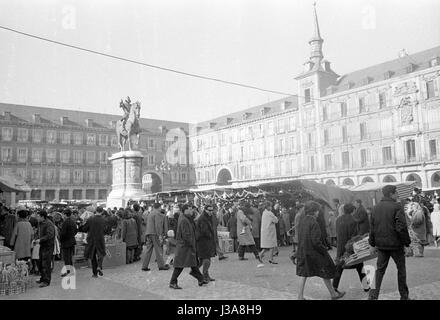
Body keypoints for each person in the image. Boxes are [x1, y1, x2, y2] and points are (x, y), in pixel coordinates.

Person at [368, 185, 411, 300]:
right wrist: (407, 244)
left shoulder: (375, 207)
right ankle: (404, 297)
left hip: (381, 246)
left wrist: (372, 244)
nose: (397, 195)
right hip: (396, 245)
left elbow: (372, 228)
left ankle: (373, 296)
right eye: (396, 193)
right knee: (401, 270)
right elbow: (401, 227)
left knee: (379, 271)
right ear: (391, 194)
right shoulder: (397, 207)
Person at [296, 201, 345, 300]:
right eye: (317, 211)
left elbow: (300, 237)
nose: (318, 213)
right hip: (314, 252)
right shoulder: (314, 222)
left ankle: (300, 296)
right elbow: (316, 241)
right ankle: (333, 294)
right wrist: (324, 249)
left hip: (303, 251)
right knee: (325, 271)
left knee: (304, 274)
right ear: (314, 211)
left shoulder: (302, 220)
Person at [169, 205, 208, 289]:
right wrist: (191, 243)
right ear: (185, 210)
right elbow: (186, 234)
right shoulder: (184, 220)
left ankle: (200, 279)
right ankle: (172, 282)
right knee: (180, 265)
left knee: (193, 263)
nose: (192, 211)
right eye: (190, 209)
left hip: (187, 246)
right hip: (185, 247)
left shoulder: (187, 218)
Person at [332, 204, 369, 293]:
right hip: (350, 246)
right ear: (352, 211)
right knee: (360, 265)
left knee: (339, 266)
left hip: (340, 246)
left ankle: (334, 287)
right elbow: (354, 236)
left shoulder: (338, 220)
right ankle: (366, 287)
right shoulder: (353, 220)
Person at [79, 206, 107, 278]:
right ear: (102, 211)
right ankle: (99, 266)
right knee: (101, 253)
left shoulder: (90, 219)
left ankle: (95, 273)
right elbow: (106, 230)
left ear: (96, 211)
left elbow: (84, 229)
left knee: (92, 256)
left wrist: (82, 224)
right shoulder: (104, 220)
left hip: (91, 239)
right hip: (100, 239)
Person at [142, 202, 169, 271]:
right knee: (158, 249)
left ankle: (144, 266)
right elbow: (158, 225)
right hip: (155, 234)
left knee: (148, 250)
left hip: (149, 233)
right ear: (159, 207)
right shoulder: (158, 214)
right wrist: (160, 235)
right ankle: (161, 266)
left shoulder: (150, 213)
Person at [196, 204, 217, 282]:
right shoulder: (202, 218)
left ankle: (205, 275)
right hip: (203, 241)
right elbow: (204, 231)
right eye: (209, 210)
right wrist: (210, 235)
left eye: (212, 210)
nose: (211, 212)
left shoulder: (209, 217)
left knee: (204, 259)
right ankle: (203, 275)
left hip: (207, 241)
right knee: (206, 259)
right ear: (205, 210)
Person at [35, 210, 56, 288]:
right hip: (42, 245)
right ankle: (42, 278)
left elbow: (50, 235)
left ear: (42, 217)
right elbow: (38, 233)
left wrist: (40, 240)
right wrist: (36, 238)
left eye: (38, 216)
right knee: (40, 262)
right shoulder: (40, 223)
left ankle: (46, 281)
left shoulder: (49, 224)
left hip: (48, 246)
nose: (37, 217)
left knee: (46, 263)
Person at [59, 209, 77, 277]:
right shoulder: (72, 221)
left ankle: (68, 272)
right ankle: (71, 271)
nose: (62, 216)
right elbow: (76, 230)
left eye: (63, 214)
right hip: (72, 241)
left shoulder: (65, 222)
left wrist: (61, 240)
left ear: (65, 215)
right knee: (69, 257)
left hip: (66, 242)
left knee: (67, 258)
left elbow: (63, 234)